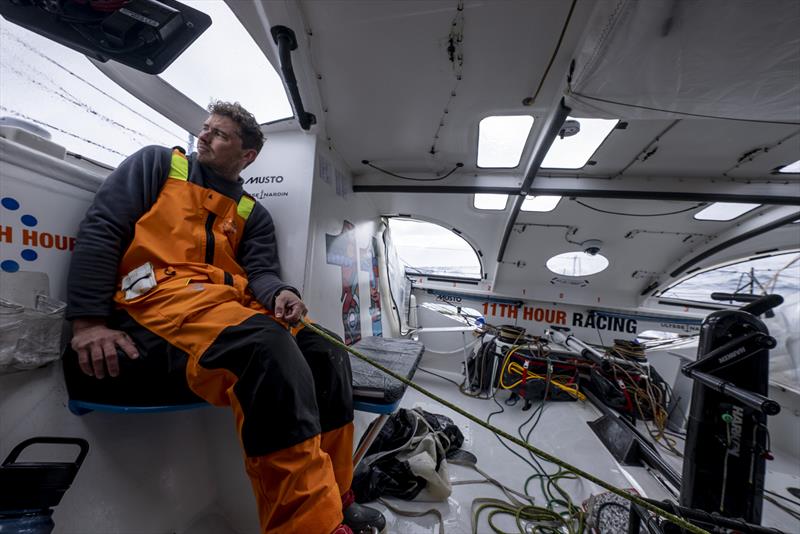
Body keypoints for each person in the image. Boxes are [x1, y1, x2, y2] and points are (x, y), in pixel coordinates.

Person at [65, 101, 386, 534]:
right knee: (266, 348)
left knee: (326, 350)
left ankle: (337, 496)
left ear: (247, 155)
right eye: (205, 128)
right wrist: (89, 322)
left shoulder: (253, 213)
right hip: (156, 304)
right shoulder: (158, 165)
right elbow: (103, 227)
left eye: (219, 134)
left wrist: (283, 294)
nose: (204, 137)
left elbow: (262, 273)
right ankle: (313, 527)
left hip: (224, 307)